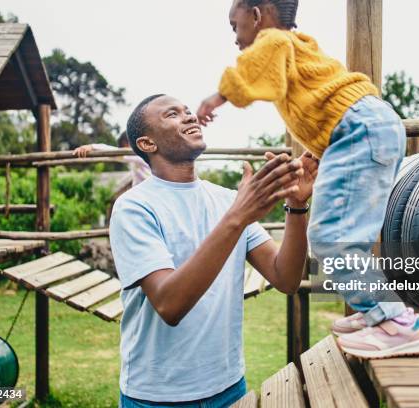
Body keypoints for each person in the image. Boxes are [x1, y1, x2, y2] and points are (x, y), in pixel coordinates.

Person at [196, 0, 419, 359]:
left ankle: (394, 321)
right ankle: (375, 313)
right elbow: (323, 101)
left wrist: (216, 98)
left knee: (330, 239)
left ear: (258, 16)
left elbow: (250, 75)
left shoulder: (274, 41)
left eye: (235, 26)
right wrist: (324, 150)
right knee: (353, 234)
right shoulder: (298, 44)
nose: (236, 39)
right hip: (368, 127)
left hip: (358, 131)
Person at [110, 94, 318, 406]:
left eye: (187, 111)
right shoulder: (133, 207)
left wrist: (297, 206)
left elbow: (286, 278)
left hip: (229, 386)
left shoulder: (227, 201)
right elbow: (170, 304)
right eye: (173, 114)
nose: (189, 116)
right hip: (157, 395)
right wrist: (239, 216)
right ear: (147, 143)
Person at [73, 131, 151, 187]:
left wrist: (92, 147)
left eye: (124, 147)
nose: (123, 150)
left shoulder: (139, 154)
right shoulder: (136, 159)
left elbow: (116, 153)